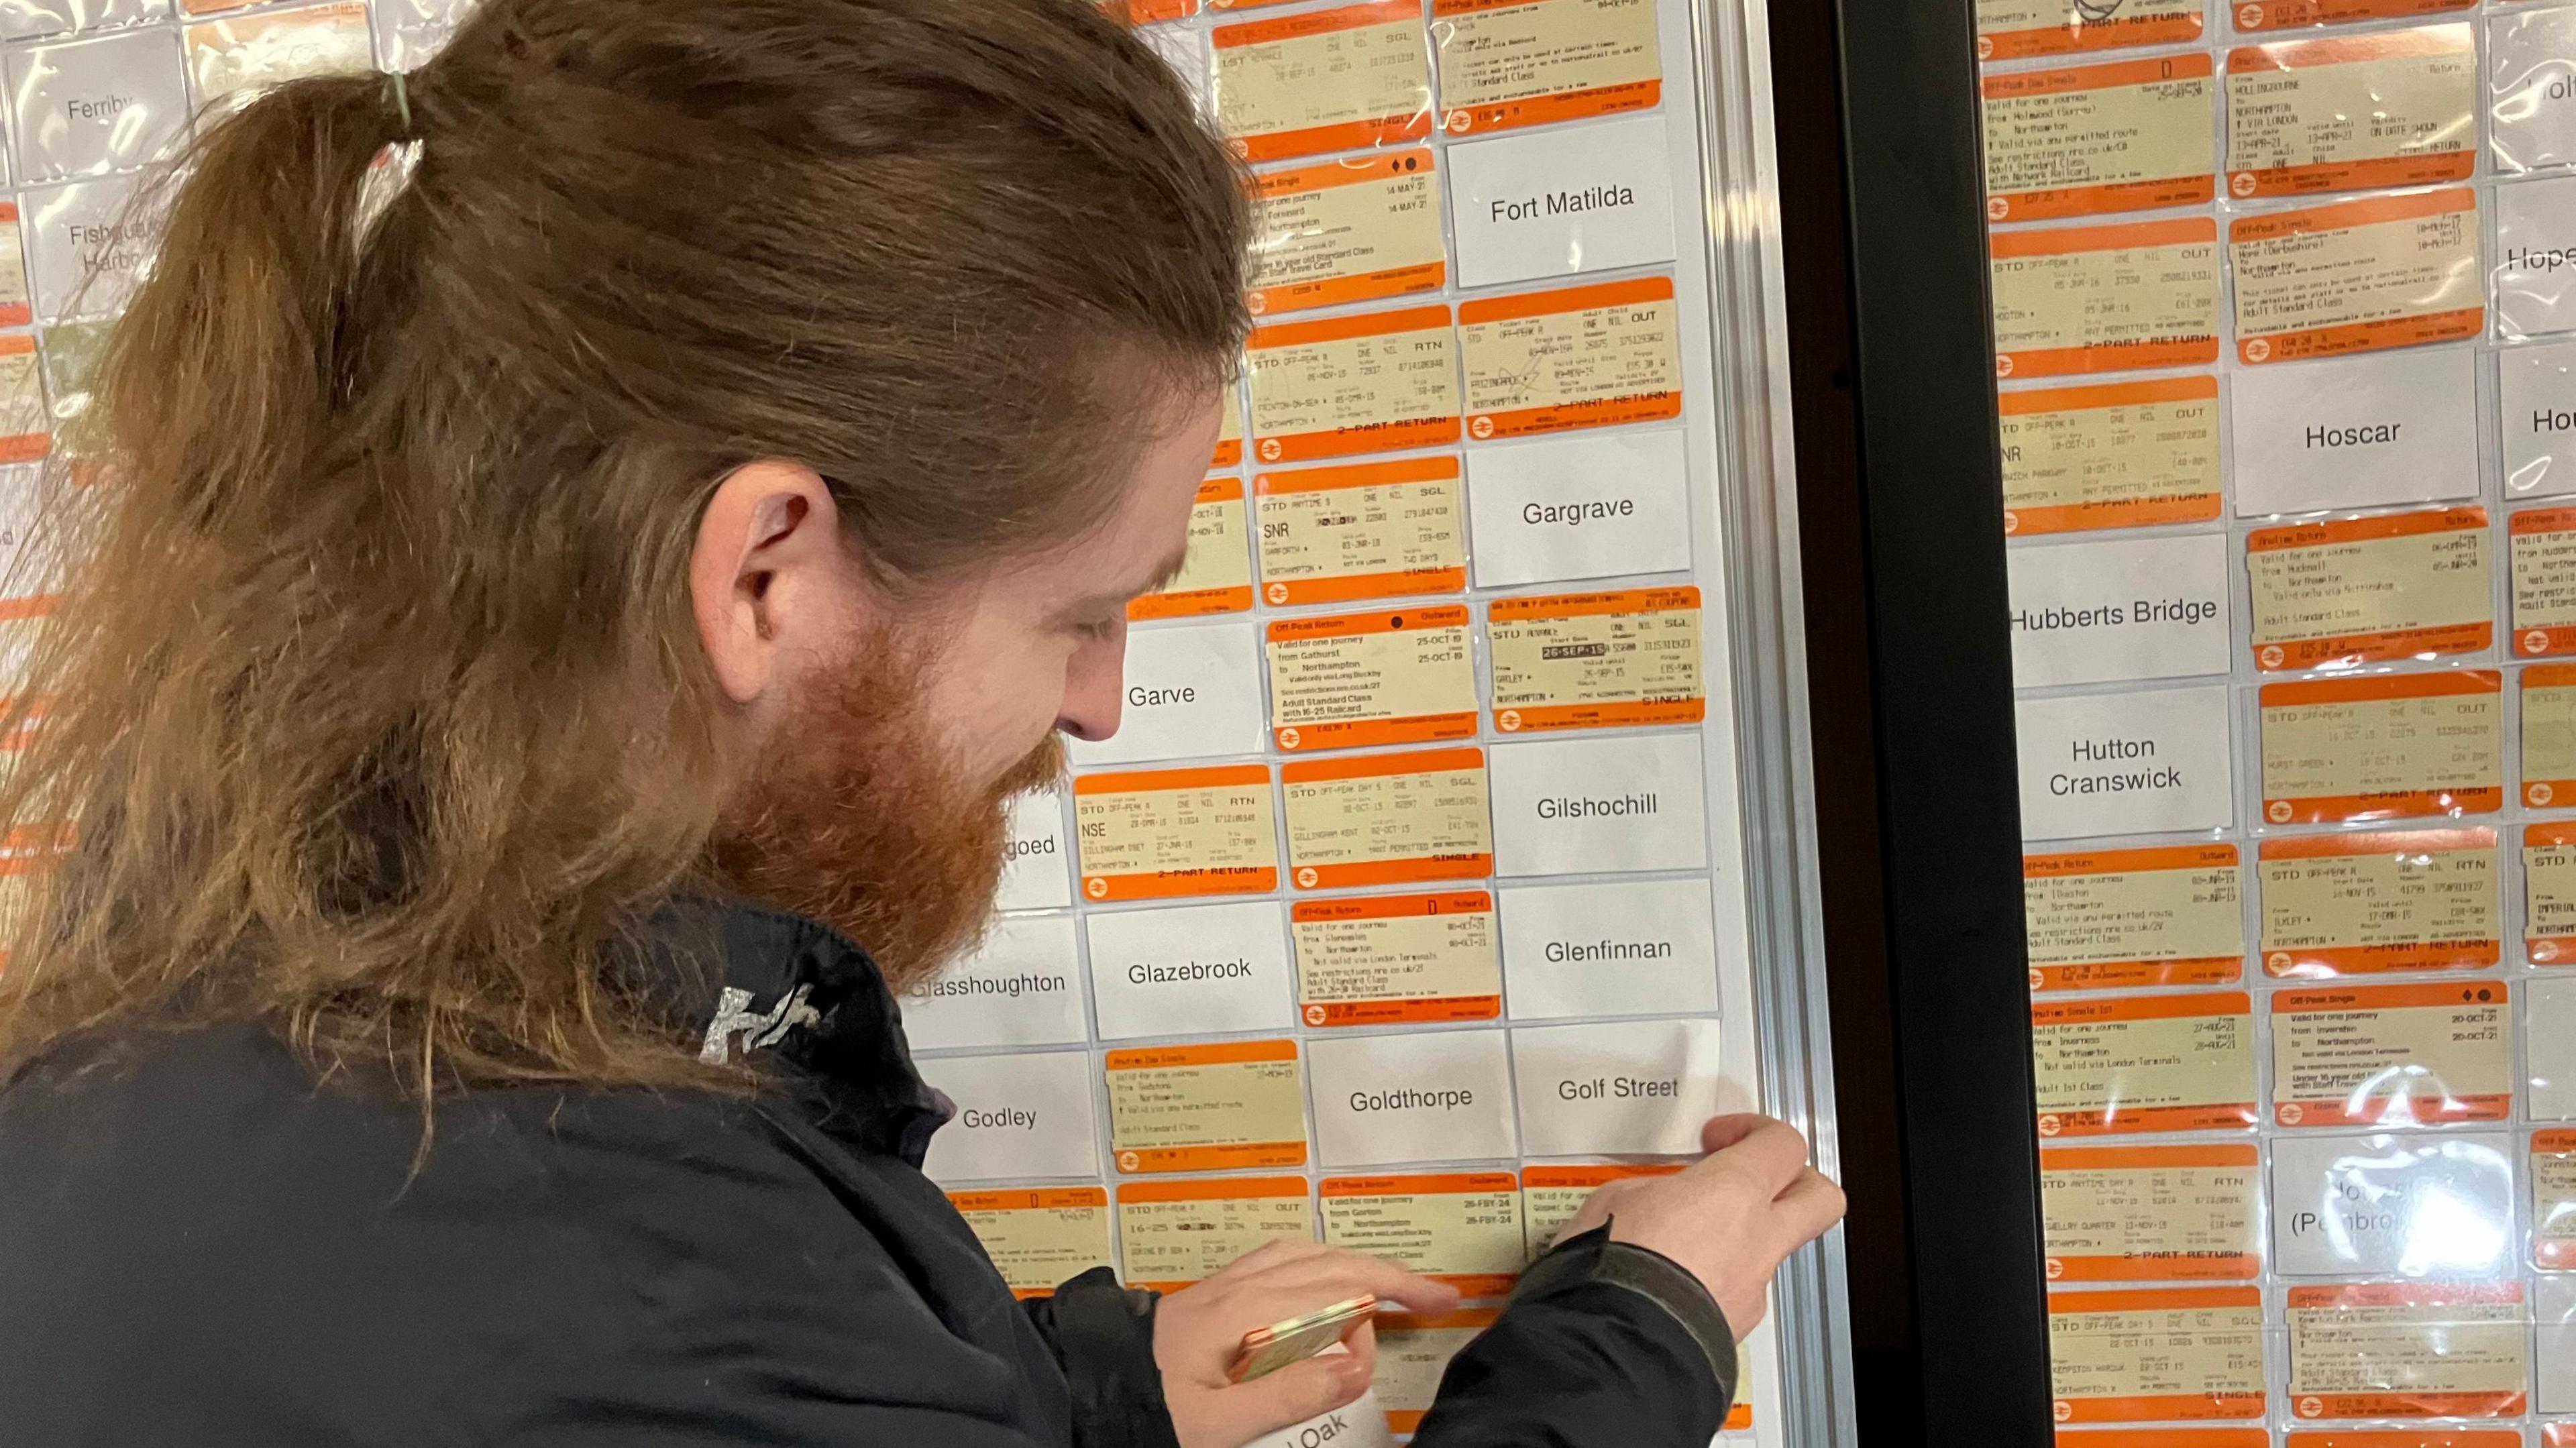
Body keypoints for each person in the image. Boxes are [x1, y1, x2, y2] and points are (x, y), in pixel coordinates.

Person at [0, 1, 1845, 1444]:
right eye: (1083, 612)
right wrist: (1633, 1352)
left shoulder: (187, 996)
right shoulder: (662, 1291)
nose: (1101, 707)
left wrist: (1067, 1397)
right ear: (765, 575)